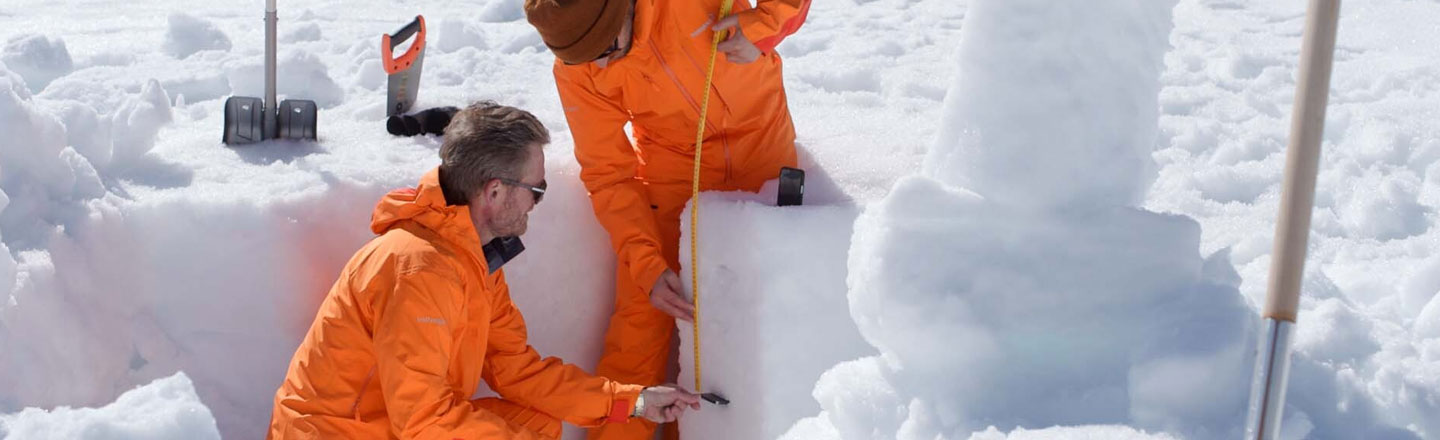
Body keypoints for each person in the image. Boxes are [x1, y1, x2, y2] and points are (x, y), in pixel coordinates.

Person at [267, 102, 700, 440]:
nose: (536, 202)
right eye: (536, 189)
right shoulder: (419, 269)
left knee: (536, 425)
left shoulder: (472, 260)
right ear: (494, 191)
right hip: (337, 433)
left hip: (387, 426)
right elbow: (422, 422)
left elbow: (517, 371)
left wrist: (633, 402)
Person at [523, 0, 810, 438]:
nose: (598, 66)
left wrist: (766, 25)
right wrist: (646, 265)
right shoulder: (577, 67)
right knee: (637, 328)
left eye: (605, 51)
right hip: (673, 179)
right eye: (583, 59)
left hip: (764, 161)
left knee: (755, 323)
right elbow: (608, 175)